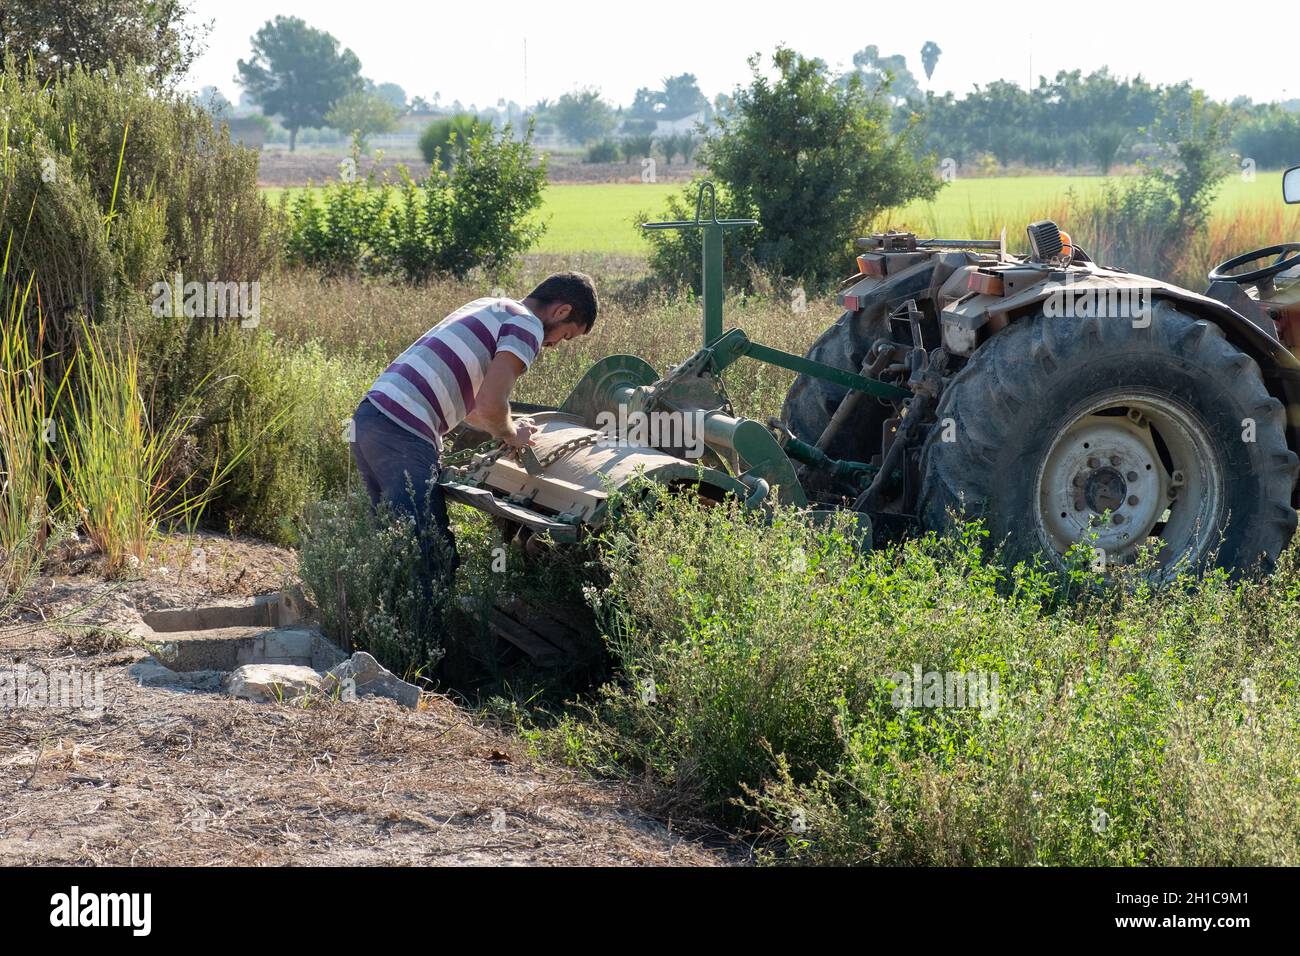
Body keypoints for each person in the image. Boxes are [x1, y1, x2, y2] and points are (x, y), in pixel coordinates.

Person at [348, 272, 598, 585]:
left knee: (395, 546)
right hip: (404, 431)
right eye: (566, 335)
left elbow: (474, 413)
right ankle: (425, 633)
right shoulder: (528, 325)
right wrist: (512, 435)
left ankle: (379, 627)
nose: (555, 344)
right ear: (561, 312)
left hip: (371, 419)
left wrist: (505, 424)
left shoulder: (492, 306)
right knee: (430, 558)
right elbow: (489, 405)